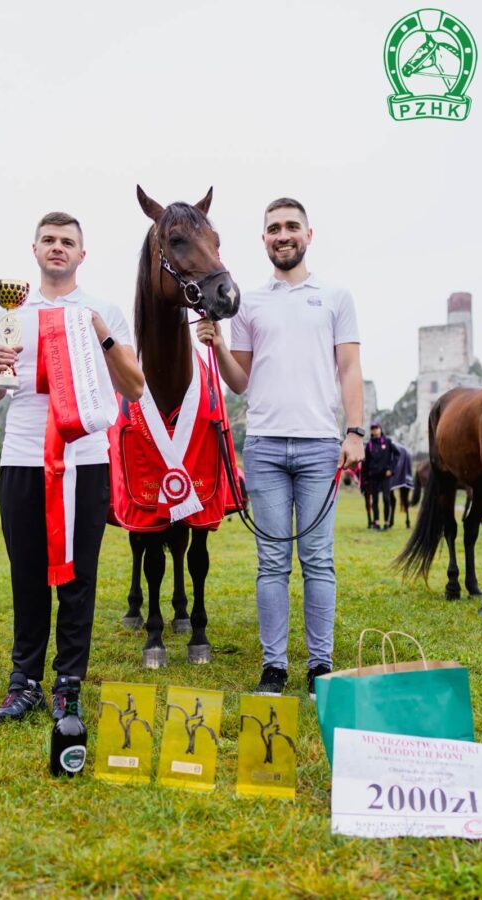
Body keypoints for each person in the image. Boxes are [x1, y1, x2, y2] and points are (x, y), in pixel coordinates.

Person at [196, 197, 364, 698]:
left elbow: (349, 369)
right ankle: (274, 667)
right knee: (271, 562)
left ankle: (319, 666)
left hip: (318, 447)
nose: (283, 234)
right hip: (265, 447)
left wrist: (354, 431)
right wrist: (219, 345)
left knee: (318, 560)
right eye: (273, 228)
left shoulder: (335, 296)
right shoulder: (249, 301)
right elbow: (240, 382)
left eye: (292, 226)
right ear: (264, 239)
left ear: (309, 235)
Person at [0, 211, 143, 723]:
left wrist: (105, 338)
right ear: (34, 249)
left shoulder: (104, 310)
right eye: (48, 240)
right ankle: (22, 682)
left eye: (67, 241)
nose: (57, 247)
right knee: (26, 575)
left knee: (79, 578)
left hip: (85, 461)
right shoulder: (13, 311)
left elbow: (135, 386)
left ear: (81, 253)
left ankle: (68, 683)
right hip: (23, 459)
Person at [364, 421, 399, 530]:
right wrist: (365, 477)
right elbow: (366, 462)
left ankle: (387, 522)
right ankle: (376, 522)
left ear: (380, 429)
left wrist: (391, 469)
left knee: (386, 498)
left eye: (376, 428)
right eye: (373, 429)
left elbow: (397, 454)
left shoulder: (387, 442)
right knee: (374, 499)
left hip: (385, 475)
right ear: (371, 431)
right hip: (373, 475)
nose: (375, 430)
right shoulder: (369, 444)